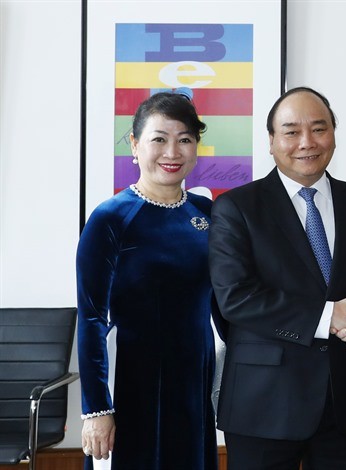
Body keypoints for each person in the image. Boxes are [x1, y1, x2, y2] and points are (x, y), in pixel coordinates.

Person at [208, 86, 346, 470]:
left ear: (333, 133)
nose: (306, 142)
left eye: (319, 129)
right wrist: (326, 317)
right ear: (271, 141)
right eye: (291, 131)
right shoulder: (236, 208)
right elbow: (236, 298)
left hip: (345, 404)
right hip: (262, 406)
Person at [76, 91, 218, 470]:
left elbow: (226, 304)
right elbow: (90, 319)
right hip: (132, 387)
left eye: (185, 139)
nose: (172, 151)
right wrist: (96, 409)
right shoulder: (111, 218)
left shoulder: (208, 213)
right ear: (135, 146)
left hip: (194, 388)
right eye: (159, 139)